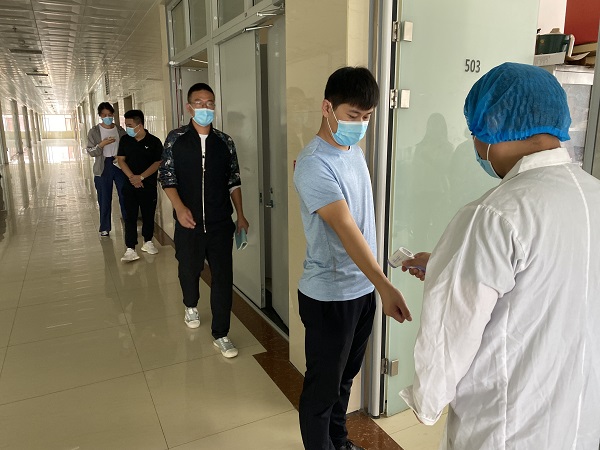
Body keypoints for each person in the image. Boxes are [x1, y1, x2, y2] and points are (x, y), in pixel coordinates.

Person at [399, 62, 600, 450]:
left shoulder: (494, 214)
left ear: (492, 125)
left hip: (509, 429)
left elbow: (450, 332)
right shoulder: (593, 195)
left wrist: (427, 401)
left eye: (474, 132)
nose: (475, 145)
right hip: (582, 425)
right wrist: (446, 263)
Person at [293, 67, 412, 450]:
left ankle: (339, 443)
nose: (360, 125)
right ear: (327, 108)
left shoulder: (354, 153)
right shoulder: (313, 164)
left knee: (344, 380)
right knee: (322, 390)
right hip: (329, 297)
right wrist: (386, 286)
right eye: (353, 115)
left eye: (366, 117)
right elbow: (346, 229)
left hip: (361, 291)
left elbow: (362, 222)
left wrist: (377, 283)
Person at [158, 82, 249, 359]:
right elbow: (167, 177)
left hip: (221, 222)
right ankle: (190, 304)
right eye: (199, 103)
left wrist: (241, 215)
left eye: (210, 103)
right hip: (189, 223)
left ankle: (221, 334)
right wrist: (179, 208)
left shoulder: (225, 142)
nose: (205, 107)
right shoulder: (176, 139)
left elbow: (233, 180)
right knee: (189, 269)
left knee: (223, 277)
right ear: (189, 107)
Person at [116, 109, 163, 263]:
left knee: (148, 214)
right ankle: (130, 248)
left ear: (140, 125)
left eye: (129, 125)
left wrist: (141, 177)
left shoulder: (154, 142)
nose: (127, 128)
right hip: (129, 185)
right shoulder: (125, 140)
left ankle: (148, 242)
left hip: (147, 185)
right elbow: (121, 160)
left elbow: (157, 162)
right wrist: (132, 177)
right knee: (130, 216)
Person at [86, 102, 128, 237]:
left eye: (110, 115)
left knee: (125, 195)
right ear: (100, 116)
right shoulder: (94, 131)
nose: (107, 117)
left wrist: (121, 156)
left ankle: (129, 223)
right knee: (104, 198)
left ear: (113, 115)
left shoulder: (119, 130)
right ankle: (105, 227)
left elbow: (127, 147)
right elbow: (90, 151)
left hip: (119, 164)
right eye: (104, 115)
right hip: (103, 166)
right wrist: (101, 144)